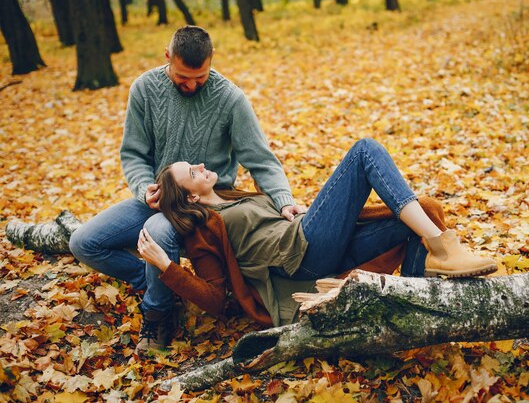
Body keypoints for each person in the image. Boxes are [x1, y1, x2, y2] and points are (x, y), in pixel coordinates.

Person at [69, 26, 303, 351]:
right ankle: (164, 283)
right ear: (168, 56)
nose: (192, 84)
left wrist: (283, 200)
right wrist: (143, 187)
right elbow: (134, 154)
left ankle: (158, 313)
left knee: (157, 232)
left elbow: (260, 159)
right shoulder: (144, 89)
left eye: (200, 77)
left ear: (211, 61)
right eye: (183, 77)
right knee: (83, 242)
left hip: (201, 205)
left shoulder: (230, 98)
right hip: (155, 199)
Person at [137, 138, 497, 348]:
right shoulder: (204, 230)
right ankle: (443, 247)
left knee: (417, 218)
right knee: (364, 150)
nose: (200, 166)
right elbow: (216, 299)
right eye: (192, 173)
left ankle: (419, 307)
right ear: (191, 198)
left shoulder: (233, 196)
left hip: (310, 237)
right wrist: (167, 268)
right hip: (302, 256)